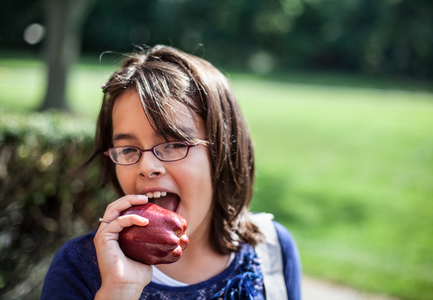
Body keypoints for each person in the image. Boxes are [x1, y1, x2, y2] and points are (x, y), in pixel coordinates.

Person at [41, 45, 301, 299]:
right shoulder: (81, 268)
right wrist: (119, 291)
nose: (147, 167)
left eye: (174, 144)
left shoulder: (272, 249)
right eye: (128, 149)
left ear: (223, 151)